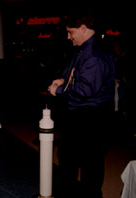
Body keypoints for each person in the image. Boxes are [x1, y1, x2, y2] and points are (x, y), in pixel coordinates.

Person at [48, 16, 115, 198]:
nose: (69, 37)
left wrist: (59, 91)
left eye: (71, 32)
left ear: (84, 28)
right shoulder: (83, 49)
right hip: (81, 113)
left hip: (90, 116)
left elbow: (86, 90)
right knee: (69, 157)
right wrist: (63, 80)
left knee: (89, 166)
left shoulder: (94, 54)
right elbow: (74, 73)